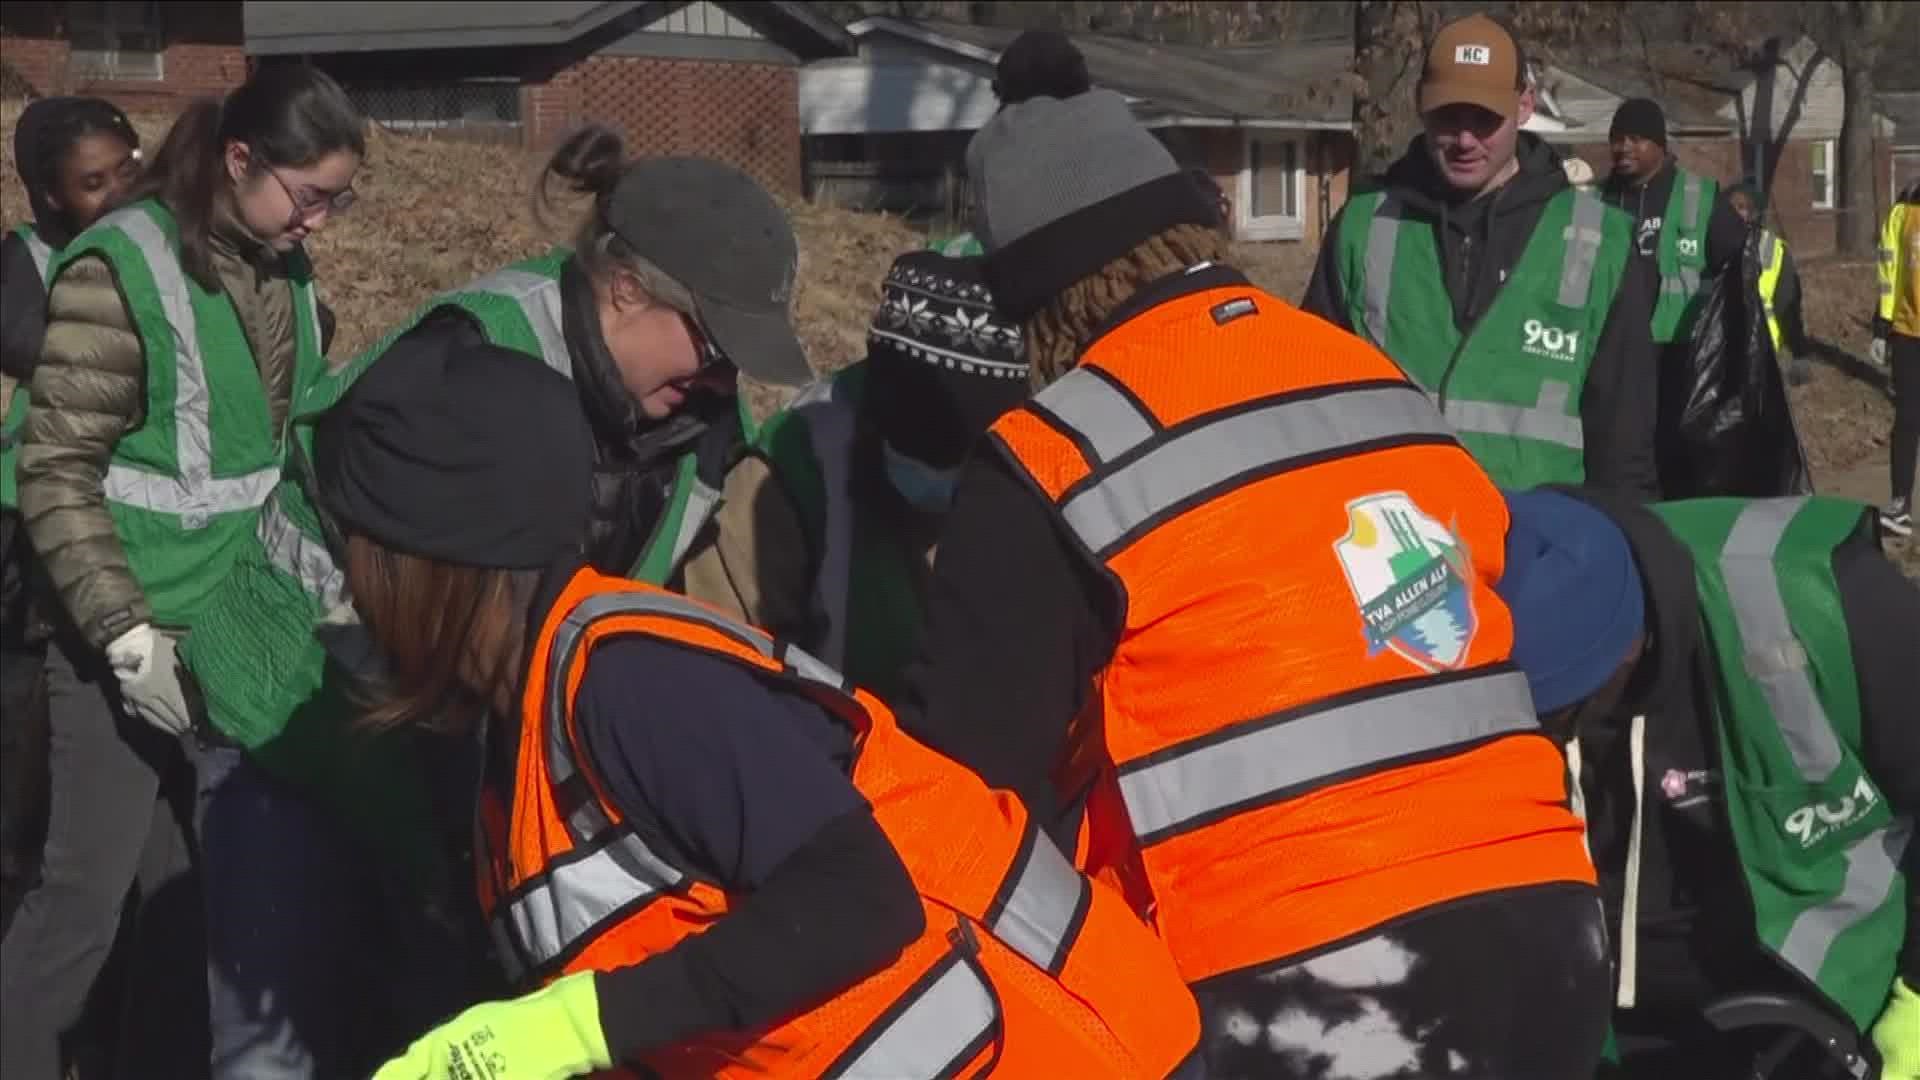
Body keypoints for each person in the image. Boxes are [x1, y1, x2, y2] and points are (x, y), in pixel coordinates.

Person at [909, 85, 1608, 1079]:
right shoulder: (1372, 382)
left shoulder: (1055, 454)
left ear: (1038, 301)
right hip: (1550, 936)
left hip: (1308, 988)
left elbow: (971, 800)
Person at [307, 338, 1202, 1080]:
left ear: (427, 556)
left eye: (357, 543)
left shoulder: (630, 688)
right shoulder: (521, 739)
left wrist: (570, 1028)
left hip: (1071, 1054)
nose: (348, 577)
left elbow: (862, 896)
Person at [169, 125, 816, 1076]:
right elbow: (377, 616)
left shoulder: (702, 425)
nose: (722, 381)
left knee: (446, 1035)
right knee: (283, 1041)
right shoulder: (464, 359)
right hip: (299, 722)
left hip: (465, 755)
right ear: (625, 289)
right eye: (715, 347)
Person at [3, 64, 363, 1080]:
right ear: (242, 160)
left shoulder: (280, 268)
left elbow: (280, 446)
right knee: (81, 907)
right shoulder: (119, 266)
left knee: (180, 912)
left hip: (231, 642)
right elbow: (58, 471)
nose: (321, 222)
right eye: (310, 196)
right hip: (122, 640)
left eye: (338, 200)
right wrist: (123, 635)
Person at [1496, 487, 1919, 1080]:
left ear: (1625, 654)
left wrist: (1916, 1007)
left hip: (1825, 1007)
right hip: (1595, 1022)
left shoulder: (1822, 598)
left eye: (1556, 717)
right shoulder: (1479, 604)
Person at [1302, 14, 1660, 498]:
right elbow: (1311, 406)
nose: (1465, 139)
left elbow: (1625, 449)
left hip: (1539, 549)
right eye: (1449, 116)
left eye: (1485, 118)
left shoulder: (1602, 243)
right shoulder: (1362, 230)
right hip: (1394, 543)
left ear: (1525, 105)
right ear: (1420, 107)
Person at [743, 251, 1027, 702]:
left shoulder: (1044, 460)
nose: (935, 477)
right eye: (917, 446)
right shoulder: (794, 468)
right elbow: (724, 665)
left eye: (957, 454)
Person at [1, 96, 140, 929]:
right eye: (95, 182)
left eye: (129, 165)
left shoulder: (159, 245)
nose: (122, 189)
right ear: (49, 197)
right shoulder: (23, 264)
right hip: (28, 525)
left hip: (125, 523)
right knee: (25, 722)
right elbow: (36, 342)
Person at [1600, 97, 1747, 350]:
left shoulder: (1700, 198)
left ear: (1659, 145)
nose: (1623, 147)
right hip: (1609, 349)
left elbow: (1742, 267)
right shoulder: (1594, 199)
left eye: (1635, 139)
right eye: (1617, 139)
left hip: (1680, 351)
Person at [1872, 181, 1920, 536]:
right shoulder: (1902, 215)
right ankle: (1900, 503)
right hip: (1908, 332)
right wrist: (1881, 326)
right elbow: (1891, 275)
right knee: (1907, 418)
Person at [1729, 181, 1811, 386]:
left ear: (1754, 212)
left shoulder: (1772, 249)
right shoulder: (1715, 241)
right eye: (1732, 207)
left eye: (1741, 207)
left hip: (1761, 348)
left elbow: (1787, 304)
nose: (1736, 213)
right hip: (1726, 347)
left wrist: (1797, 349)